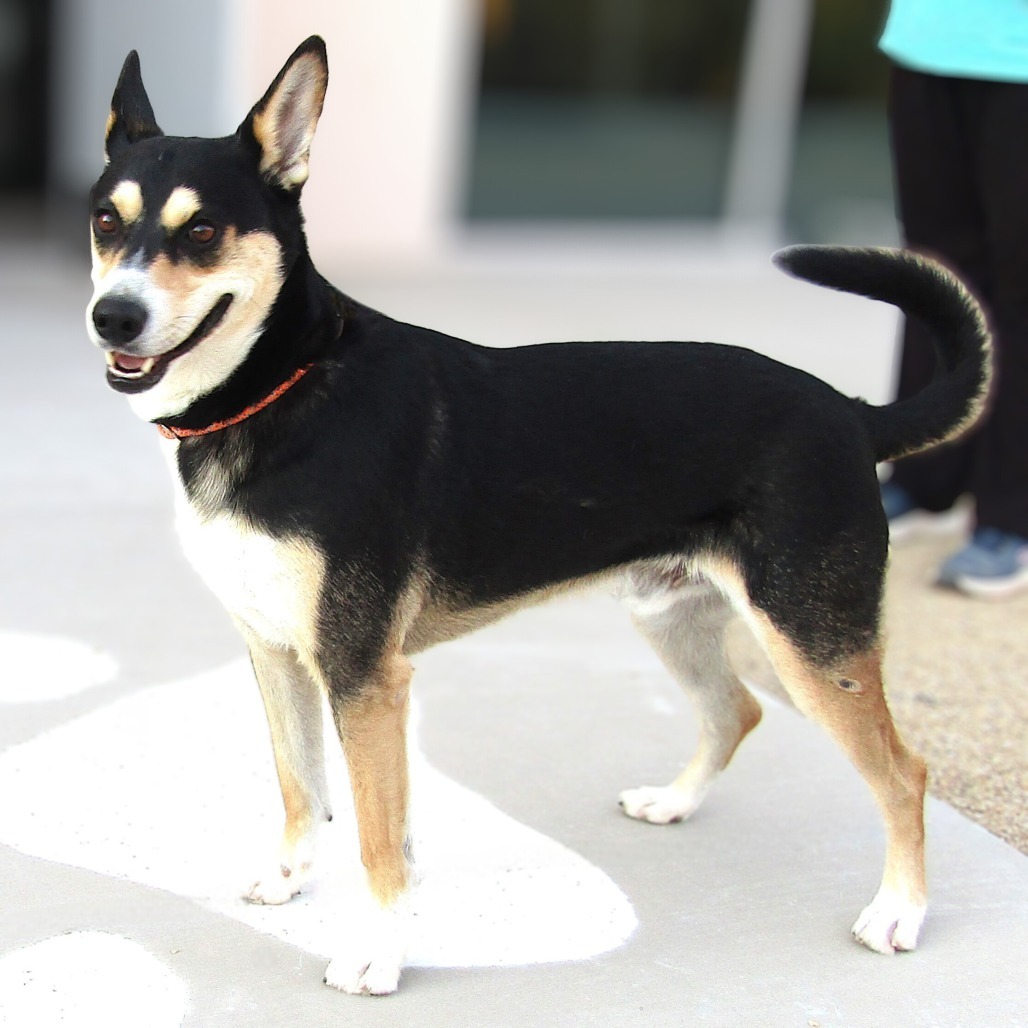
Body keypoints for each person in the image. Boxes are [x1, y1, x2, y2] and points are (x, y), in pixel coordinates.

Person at [878, 0, 1028, 598]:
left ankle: (1012, 514)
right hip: (930, 36)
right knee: (934, 272)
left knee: (1023, 284)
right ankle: (925, 474)